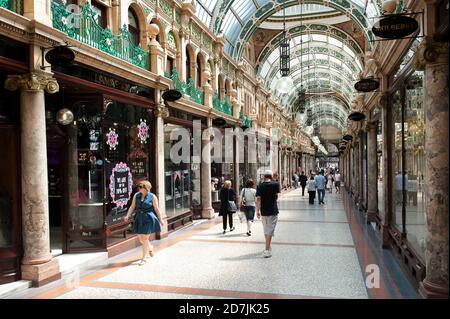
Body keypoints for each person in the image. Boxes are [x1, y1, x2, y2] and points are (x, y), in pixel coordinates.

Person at [124, 181, 164, 266]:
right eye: (139, 186)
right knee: (141, 239)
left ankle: (143, 258)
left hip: (148, 218)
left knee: (145, 238)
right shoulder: (136, 195)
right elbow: (132, 206)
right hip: (139, 218)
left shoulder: (152, 197)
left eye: (141, 186)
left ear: (146, 188)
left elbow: (156, 209)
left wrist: (161, 220)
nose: (139, 188)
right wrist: (127, 215)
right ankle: (150, 247)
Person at [256, 170, 280, 258]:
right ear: (271, 176)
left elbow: (258, 199)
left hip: (263, 211)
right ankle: (266, 250)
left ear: (264, 176)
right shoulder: (275, 184)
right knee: (270, 230)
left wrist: (257, 211)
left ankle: (268, 246)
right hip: (273, 210)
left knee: (266, 229)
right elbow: (277, 195)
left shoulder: (260, 185)